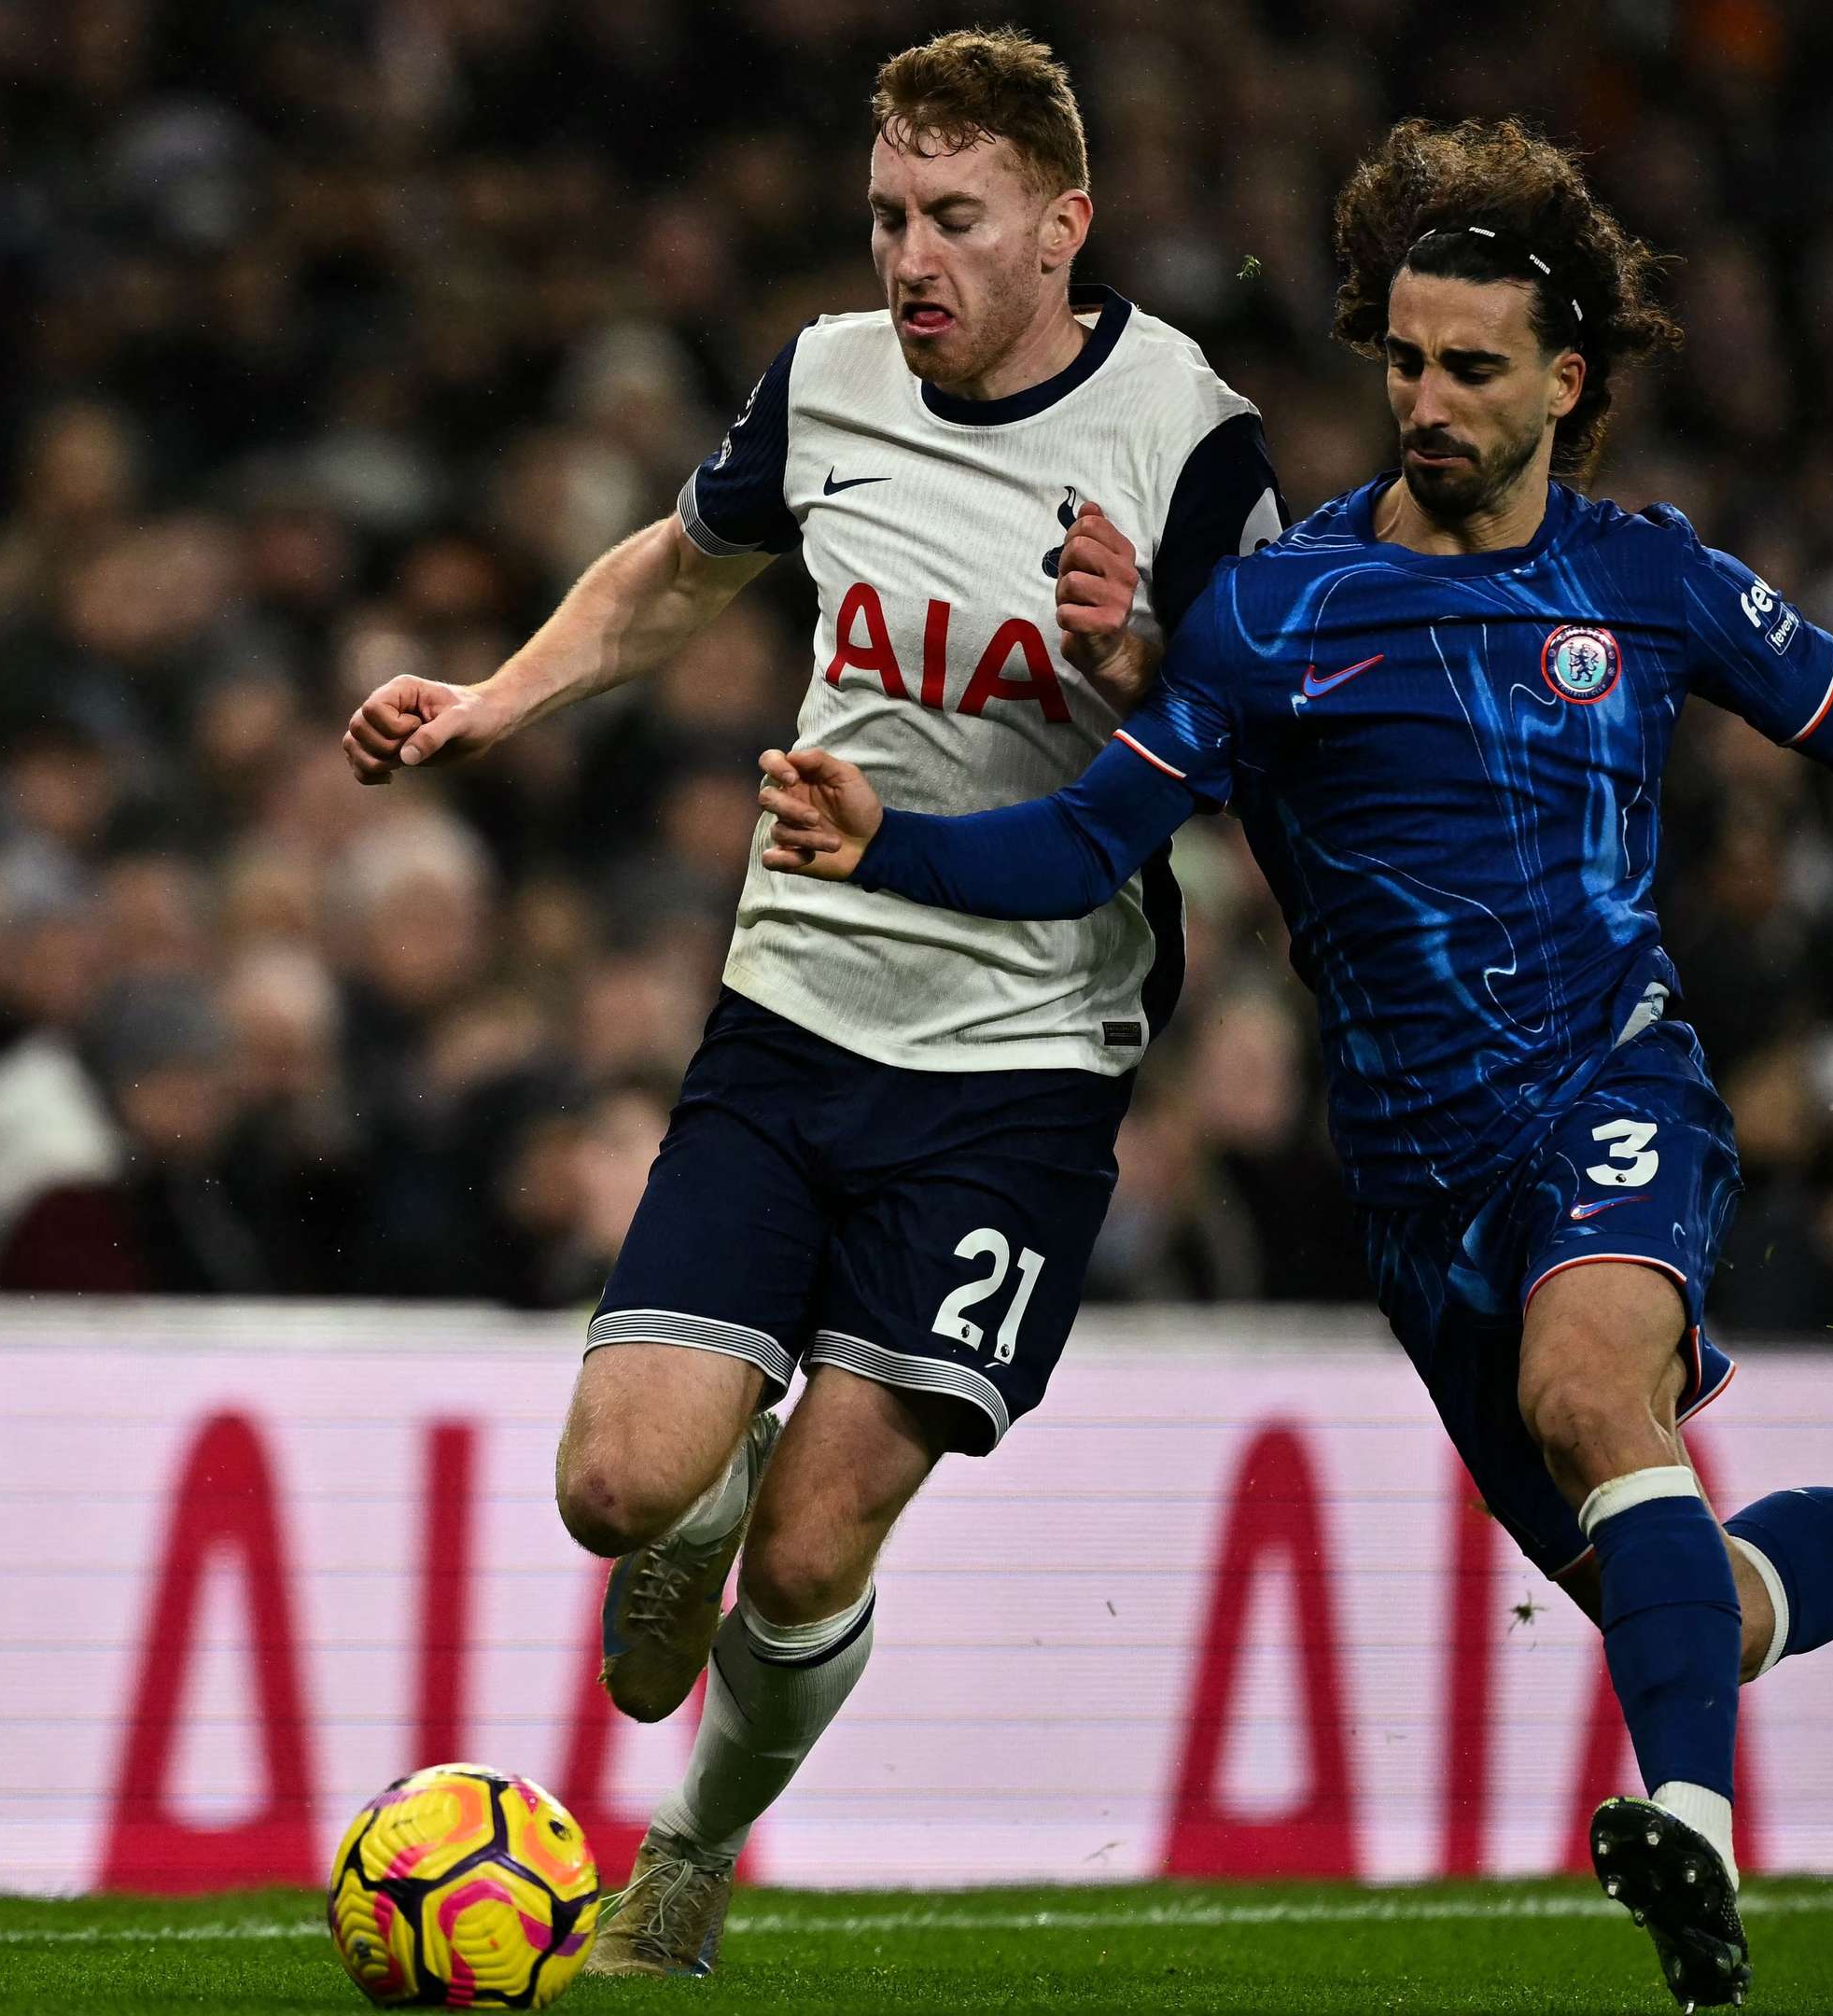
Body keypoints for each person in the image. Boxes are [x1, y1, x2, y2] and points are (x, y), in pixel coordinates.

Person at [753, 119, 1833, 2011]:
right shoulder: (1278, 614)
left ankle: (1699, 1843)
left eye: (1472, 367)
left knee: (1594, 1406)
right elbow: (1080, 848)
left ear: (1567, 382)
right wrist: (883, 839)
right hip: (1418, 1192)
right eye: (1402, 360)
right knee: (1698, 1606)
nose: (1426, 399)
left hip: (1613, 1090)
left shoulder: (1648, 579)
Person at [340, 29, 1280, 1978]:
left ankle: (688, 1853)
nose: (907, 259)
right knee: (617, 1489)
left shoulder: (1189, 435)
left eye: (953, 220)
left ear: (1062, 225)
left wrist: (1142, 652)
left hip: (1023, 1065)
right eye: (884, 217)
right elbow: (683, 575)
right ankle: (698, 1505)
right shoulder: (829, 377)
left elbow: (1250, 739)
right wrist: (496, 698)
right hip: (795, 1007)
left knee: (824, 1542)